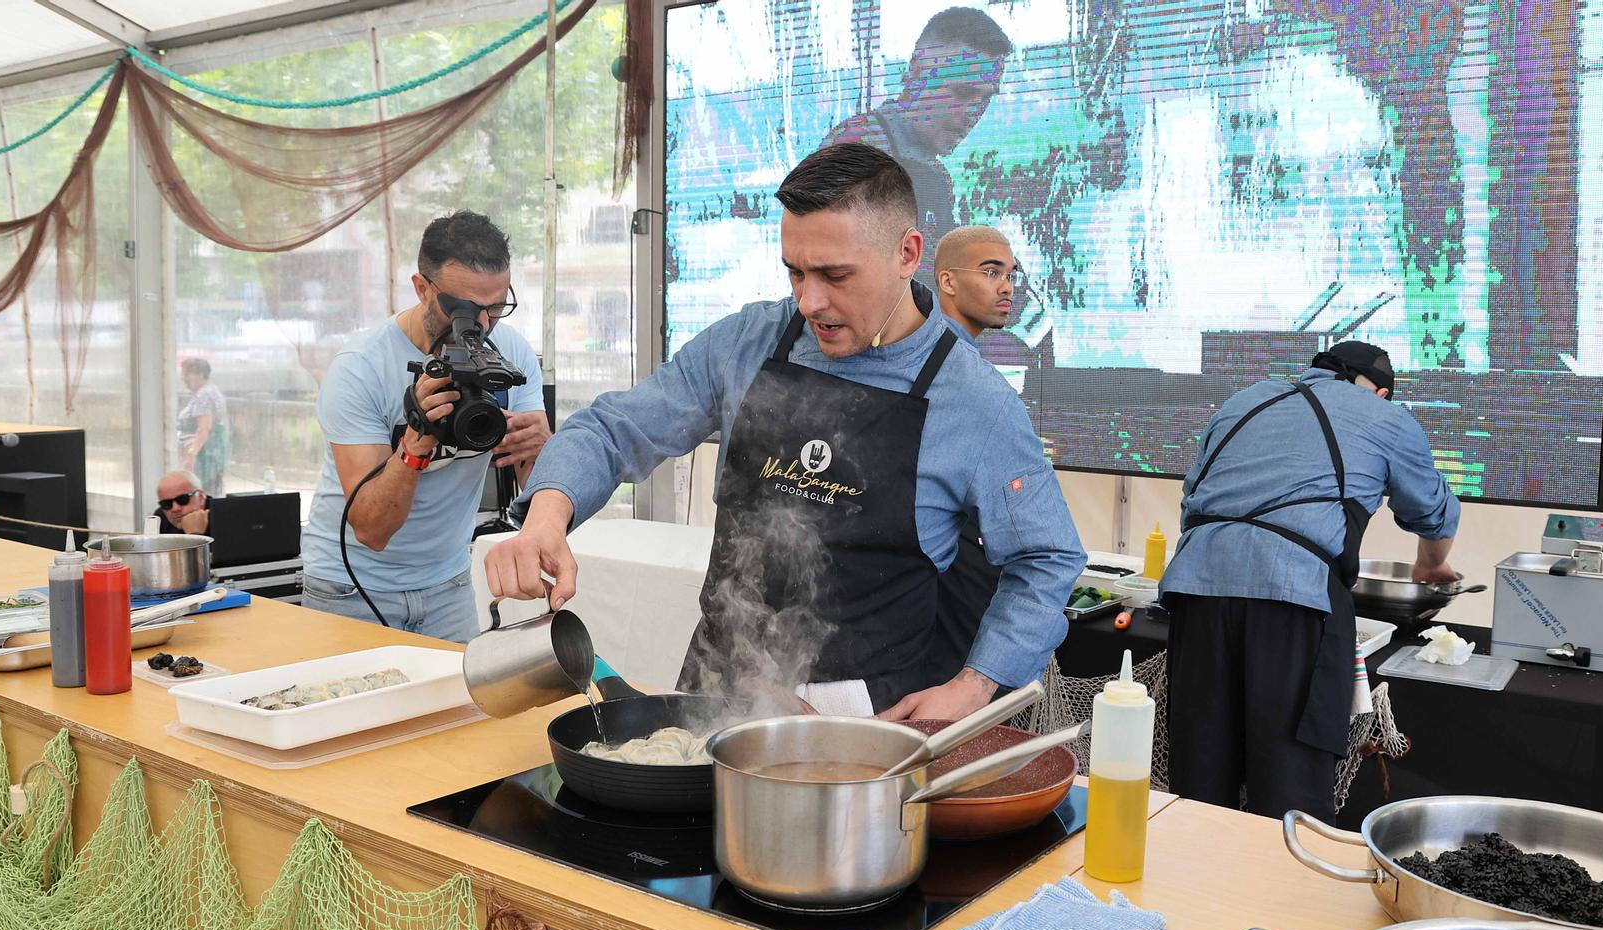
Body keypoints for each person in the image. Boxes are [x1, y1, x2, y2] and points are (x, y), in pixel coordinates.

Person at [484, 143, 1084, 720]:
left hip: (863, 725)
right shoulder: (747, 344)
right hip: (715, 694)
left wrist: (973, 686)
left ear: (908, 254)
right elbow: (613, 430)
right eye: (794, 272)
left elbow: (1047, 557)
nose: (809, 300)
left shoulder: (974, 401)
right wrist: (545, 519)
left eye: (834, 274)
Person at [1159, 341, 1461, 819]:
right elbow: (1434, 514)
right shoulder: (1386, 416)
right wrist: (1431, 564)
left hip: (1197, 592)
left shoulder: (1243, 399)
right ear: (1380, 391)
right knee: (1289, 784)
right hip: (1295, 602)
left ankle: (1192, 890)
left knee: (1199, 778)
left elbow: (1194, 495)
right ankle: (1285, 891)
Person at [299, 211, 550, 643]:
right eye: (466, 309)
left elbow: (534, 487)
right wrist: (417, 440)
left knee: (458, 712)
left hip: (447, 584)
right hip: (351, 587)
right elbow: (371, 530)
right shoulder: (362, 369)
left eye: (496, 306)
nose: (484, 324)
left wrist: (543, 450)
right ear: (421, 288)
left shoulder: (509, 355)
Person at [824, 8, 1012, 286]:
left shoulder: (937, 176)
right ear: (917, 72)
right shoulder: (857, 147)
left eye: (985, 100)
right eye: (962, 93)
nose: (973, 113)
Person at [925, 224, 1021, 683]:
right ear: (946, 280)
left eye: (1010, 275)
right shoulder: (938, 366)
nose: (1006, 287)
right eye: (990, 272)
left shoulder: (966, 368)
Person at [176, 357, 231, 496]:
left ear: (199, 374)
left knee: (202, 496)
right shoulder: (210, 391)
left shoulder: (204, 395)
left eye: (187, 374)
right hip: (211, 454)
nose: (184, 379)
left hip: (204, 457)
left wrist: (191, 454)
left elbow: (204, 428)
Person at [155, 469, 209, 535]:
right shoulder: (160, 518)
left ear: (200, 497)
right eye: (166, 504)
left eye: (182, 499)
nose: (175, 509)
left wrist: (195, 534)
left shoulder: (220, 515)